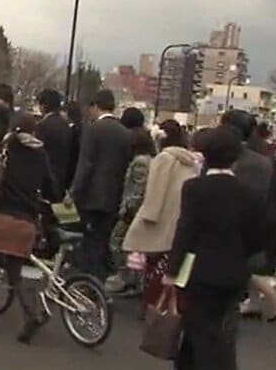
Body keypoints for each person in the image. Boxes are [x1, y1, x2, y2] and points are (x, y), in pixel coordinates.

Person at [165, 126, 263, 370]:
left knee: (201, 335)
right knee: (216, 332)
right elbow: (256, 239)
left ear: (205, 155)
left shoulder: (195, 188)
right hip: (233, 275)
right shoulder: (249, 195)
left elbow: (185, 231)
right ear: (236, 157)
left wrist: (172, 270)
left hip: (199, 273)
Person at [0, 113, 60, 344]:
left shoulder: (5, 148)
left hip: (1, 215)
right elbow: (52, 189)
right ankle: (30, 315)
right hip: (26, 221)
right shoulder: (41, 154)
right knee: (15, 273)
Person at [122, 120, 198, 306]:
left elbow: (155, 193)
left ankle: (154, 305)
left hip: (161, 218)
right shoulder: (190, 160)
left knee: (154, 268)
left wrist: (146, 217)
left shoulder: (164, 158)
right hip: (180, 217)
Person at [220, 110, 276, 320]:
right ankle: (257, 302)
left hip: (234, 221)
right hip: (257, 219)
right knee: (247, 264)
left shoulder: (237, 158)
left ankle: (273, 297)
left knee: (239, 266)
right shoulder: (262, 158)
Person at [71, 89, 132, 281]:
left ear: (95, 106)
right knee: (102, 240)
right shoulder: (124, 133)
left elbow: (86, 166)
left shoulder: (93, 130)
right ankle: (99, 283)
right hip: (114, 197)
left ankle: (86, 282)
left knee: (87, 242)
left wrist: (73, 193)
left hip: (91, 197)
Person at [106, 112, 156, 294]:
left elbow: (138, 190)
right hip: (139, 211)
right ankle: (133, 280)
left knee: (117, 242)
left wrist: (128, 210)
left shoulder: (140, 163)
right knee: (135, 248)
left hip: (132, 212)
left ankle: (126, 278)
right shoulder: (151, 160)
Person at [35, 89, 72, 193]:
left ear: (43, 105)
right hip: (60, 180)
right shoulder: (66, 126)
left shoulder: (43, 126)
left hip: (45, 181)